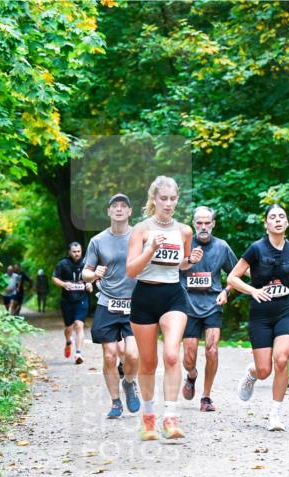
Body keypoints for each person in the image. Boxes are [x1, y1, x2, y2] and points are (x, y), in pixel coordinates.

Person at [126, 175, 203, 440]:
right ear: (154, 199)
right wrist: (150, 249)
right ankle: (148, 420)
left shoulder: (184, 231)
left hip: (173, 296)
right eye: (163, 199)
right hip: (145, 296)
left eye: (172, 199)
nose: (168, 204)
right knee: (148, 362)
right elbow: (131, 270)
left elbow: (181, 264)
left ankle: (170, 417)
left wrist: (191, 260)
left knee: (172, 354)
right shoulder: (141, 229)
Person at [227, 204, 289, 431]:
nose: (278, 220)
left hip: (284, 310)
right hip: (260, 313)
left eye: (282, 216)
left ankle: (275, 415)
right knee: (264, 371)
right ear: (266, 224)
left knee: (281, 360)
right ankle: (252, 373)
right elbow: (233, 278)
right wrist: (252, 291)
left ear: (287, 223)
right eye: (273, 217)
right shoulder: (256, 249)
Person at [83, 193, 141, 418]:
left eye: (123, 206)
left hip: (135, 304)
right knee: (109, 356)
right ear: (108, 211)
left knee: (132, 355)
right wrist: (93, 274)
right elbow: (85, 273)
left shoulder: (140, 237)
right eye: (114, 206)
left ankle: (129, 383)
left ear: (129, 211)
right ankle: (116, 402)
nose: (118, 209)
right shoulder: (97, 241)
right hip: (107, 302)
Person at [180, 206, 238, 412]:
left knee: (212, 350)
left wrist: (226, 291)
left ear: (213, 224)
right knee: (189, 359)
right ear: (193, 224)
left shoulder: (222, 247)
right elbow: (170, 269)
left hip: (213, 304)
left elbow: (236, 274)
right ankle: (191, 375)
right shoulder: (184, 244)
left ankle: (206, 397)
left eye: (207, 223)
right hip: (188, 305)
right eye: (199, 223)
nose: (203, 227)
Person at [52, 242, 92, 364]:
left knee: (79, 325)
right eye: (74, 252)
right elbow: (54, 277)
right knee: (69, 328)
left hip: (82, 299)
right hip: (67, 300)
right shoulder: (63, 263)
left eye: (78, 251)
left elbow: (93, 276)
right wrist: (64, 284)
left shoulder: (86, 263)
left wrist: (90, 283)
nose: (76, 254)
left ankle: (78, 354)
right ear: (69, 252)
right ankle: (68, 341)